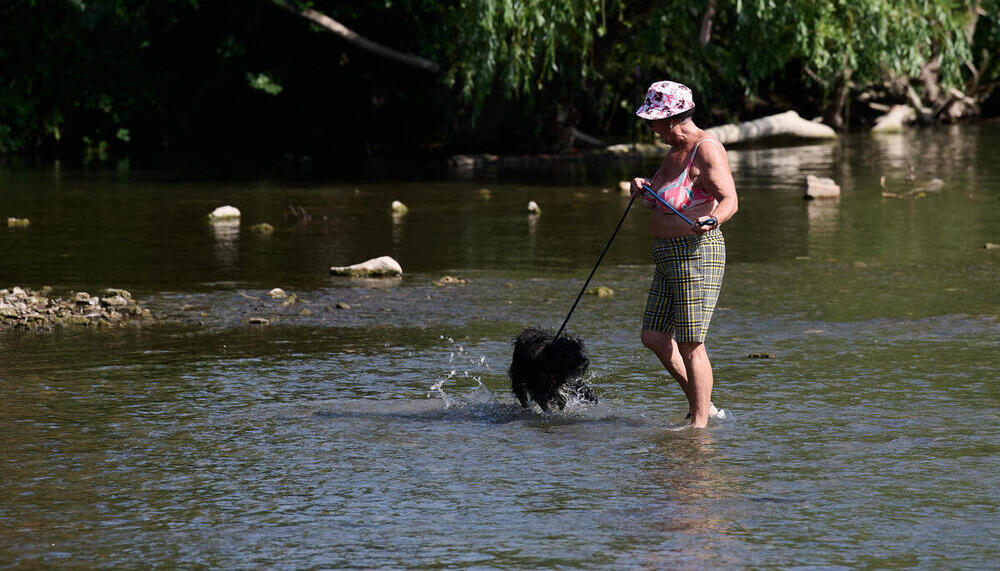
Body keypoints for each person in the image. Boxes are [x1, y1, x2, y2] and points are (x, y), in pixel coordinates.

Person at [628, 81, 738, 428]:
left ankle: (699, 424)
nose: (651, 128)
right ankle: (702, 403)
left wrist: (713, 219)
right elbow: (665, 196)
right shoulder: (673, 151)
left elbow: (730, 199)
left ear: (674, 117)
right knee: (655, 337)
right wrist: (643, 186)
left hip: (696, 252)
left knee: (691, 342)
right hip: (665, 254)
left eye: (654, 121)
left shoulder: (705, 148)